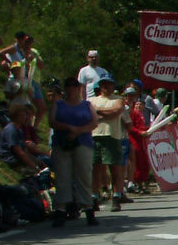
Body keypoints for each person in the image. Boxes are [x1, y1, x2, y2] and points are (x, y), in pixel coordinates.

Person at [50, 79, 98, 225]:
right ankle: (61, 209)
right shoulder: (58, 105)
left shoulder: (87, 105)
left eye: (74, 86)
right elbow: (52, 121)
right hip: (62, 142)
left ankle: (88, 207)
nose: (71, 89)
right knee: (62, 176)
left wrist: (78, 131)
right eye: (68, 86)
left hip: (82, 142)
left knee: (84, 175)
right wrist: (68, 128)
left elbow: (94, 122)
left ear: (79, 88)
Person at [91, 82, 129, 210]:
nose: (107, 87)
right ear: (100, 87)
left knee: (115, 168)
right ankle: (94, 196)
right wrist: (105, 113)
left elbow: (116, 111)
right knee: (96, 169)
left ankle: (117, 196)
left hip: (112, 136)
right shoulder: (92, 100)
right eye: (104, 85)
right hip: (95, 135)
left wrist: (98, 112)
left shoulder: (118, 99)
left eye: (109, 85)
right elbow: (91, 115)